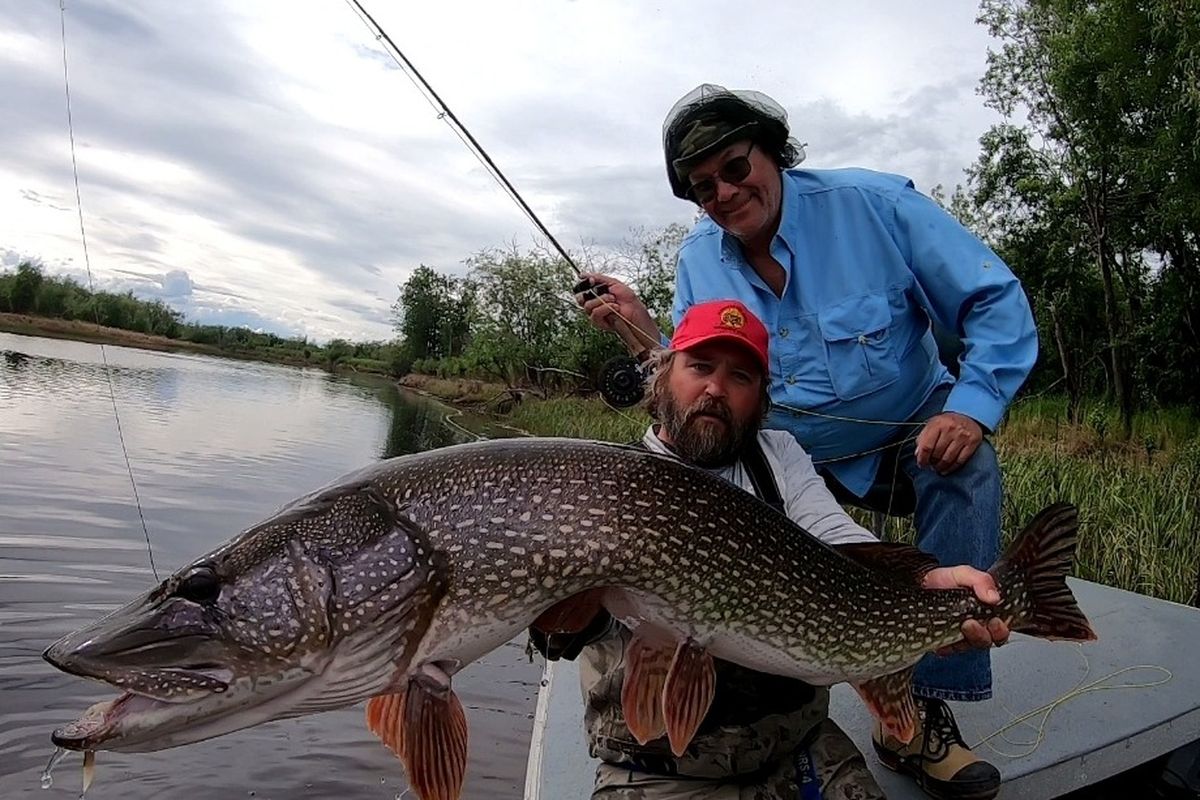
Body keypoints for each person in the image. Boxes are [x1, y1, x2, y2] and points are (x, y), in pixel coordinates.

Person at [577, 85, 1039, 800]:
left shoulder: (875, 206)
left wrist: (972, 408)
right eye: (705, 187)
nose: (726, 193)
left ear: (774, 154)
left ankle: (918, 714)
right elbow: (702, 374)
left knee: (967, 464)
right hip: (784, 455)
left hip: (907, 434)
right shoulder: (700, 259)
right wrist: (640, 325)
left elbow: (993, 299)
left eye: (737, 167)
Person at [531, 299, 1010, 800]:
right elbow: (555, 635)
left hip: (796, 747)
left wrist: (926, 584)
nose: (716, 388)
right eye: (700, 366)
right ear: (663, 374)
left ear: (760, 398)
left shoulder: (779, 456)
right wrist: (567, 614)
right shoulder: (612, 482)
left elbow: (839, 538)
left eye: (741, 376)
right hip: (657, 766)